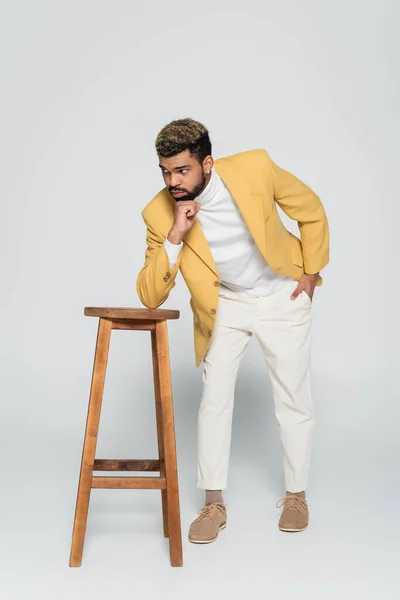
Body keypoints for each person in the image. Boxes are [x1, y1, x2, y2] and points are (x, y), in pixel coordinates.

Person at [136, 117, 330, 544]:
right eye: (166, 171)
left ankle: (296, 496)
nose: (173, 181)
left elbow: (310, 208)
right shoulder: (159, 212)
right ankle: (213, 502)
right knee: (214, 399)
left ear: (207, 162)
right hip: (225, 304)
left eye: (182, 170)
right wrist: (175, 235)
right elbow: (150, 295)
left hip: (284, 295)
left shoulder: (254, 168)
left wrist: (311, 273)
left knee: (293, 397)